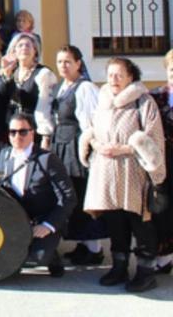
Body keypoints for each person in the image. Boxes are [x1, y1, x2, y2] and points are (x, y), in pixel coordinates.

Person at [79, 57, 166, 292]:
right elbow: (93, 130)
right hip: (107, 172)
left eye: (119, 75)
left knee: (140, 223)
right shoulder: (103, 101)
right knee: (115, 221)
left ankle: (146, 271)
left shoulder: (144, 102)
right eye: (110, 75)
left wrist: (125, 149)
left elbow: (153, 139)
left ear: (131, 77)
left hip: (134, 172)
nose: (113, 79)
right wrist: (96, 145)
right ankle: (119, 266)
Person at [0, 113, 76, 277]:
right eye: (13, 132)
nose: (17, 136)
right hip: (16, 220)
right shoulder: (4, 155)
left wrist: (48, 225)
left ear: (33, 133)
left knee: (35, 259)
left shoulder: (47, 159)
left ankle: (51, 254)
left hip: (42, 220)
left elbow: (68, 197)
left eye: (23, 132)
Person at [49, 45, 103, 265]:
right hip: (62, 147)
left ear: (78, 63)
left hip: (77, 149)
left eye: (68, 61)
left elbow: (92, 123)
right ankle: (82, 244)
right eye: (60, 61)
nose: (63, 65)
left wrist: (88, 152)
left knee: (83, 194)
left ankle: (94, 248)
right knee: (72, 195)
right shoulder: (63, 87)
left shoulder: (85, 88)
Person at [6, 32, 57, 149]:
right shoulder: (11, 74)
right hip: (15, 131)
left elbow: (46, 106)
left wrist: (46, 136)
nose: (24, 48)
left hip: (34, 130)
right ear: (14, 52)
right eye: (20, 45)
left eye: (28, 45)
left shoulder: (43, 74)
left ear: (35, 51)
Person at [148, 49, 173, 274]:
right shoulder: (155, 96)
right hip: (163, 161)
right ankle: (164, 255)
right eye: (172, 69)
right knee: (163, 208)